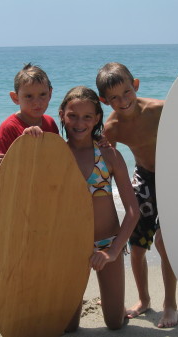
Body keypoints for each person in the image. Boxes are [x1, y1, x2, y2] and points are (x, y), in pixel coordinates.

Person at [96, 62, 178, 328]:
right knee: (137, 244)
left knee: (166, 241)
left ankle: (170, 305)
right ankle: (143, 300)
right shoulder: (112, 129)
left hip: (173, 178)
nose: (123, 101)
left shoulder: (160, 109)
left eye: (127, 92)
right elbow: (108, 166)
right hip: (144, 177)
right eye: (114, 98)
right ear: (104, 100)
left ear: (136, 86)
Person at [23, 86, 140, 331]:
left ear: (97, 118)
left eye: (88, 116)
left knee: (115, 323)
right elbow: (28, 193)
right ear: (62, 115)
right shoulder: (56, 154)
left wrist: (114, 252)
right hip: (69, 245)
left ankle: (115, 305)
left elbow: (132, 210)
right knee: (69, 327)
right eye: (73, 115)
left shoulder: (109, 155)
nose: (79, 122)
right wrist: (11, 154)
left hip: (107, 243)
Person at [0, 63, 59, 174]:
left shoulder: (50, 122)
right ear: (15, 98)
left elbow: (58, 158)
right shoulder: (9, 128)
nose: (37, 102)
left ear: (50, 94)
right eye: (29, 96)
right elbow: (0, 172)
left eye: (42, 94)